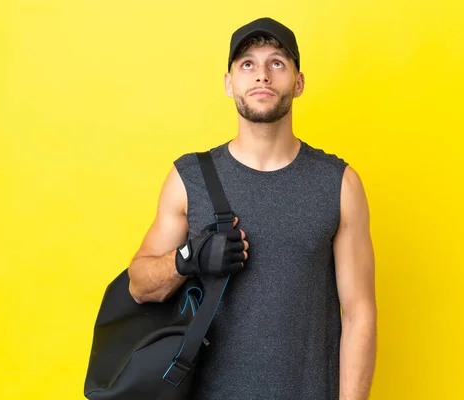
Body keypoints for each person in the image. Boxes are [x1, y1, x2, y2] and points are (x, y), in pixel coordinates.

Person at [127, 17, 377, 400]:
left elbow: (359, 314)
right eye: (247, 64)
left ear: (298, 82)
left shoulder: (339, 184)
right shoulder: (189, 178)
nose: (262, 75)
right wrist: (188, 257)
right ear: (230, 83)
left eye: (276, 63)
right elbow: (140, 285)